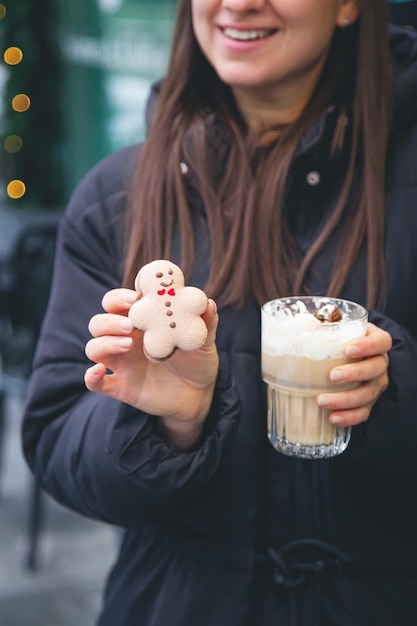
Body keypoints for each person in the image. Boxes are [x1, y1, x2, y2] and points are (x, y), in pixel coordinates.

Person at [20, 1, 417, 625]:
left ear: (348, 6)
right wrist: (169, 427)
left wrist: (394, 393)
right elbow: (53, 440)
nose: (238, 2)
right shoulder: (115, 196)